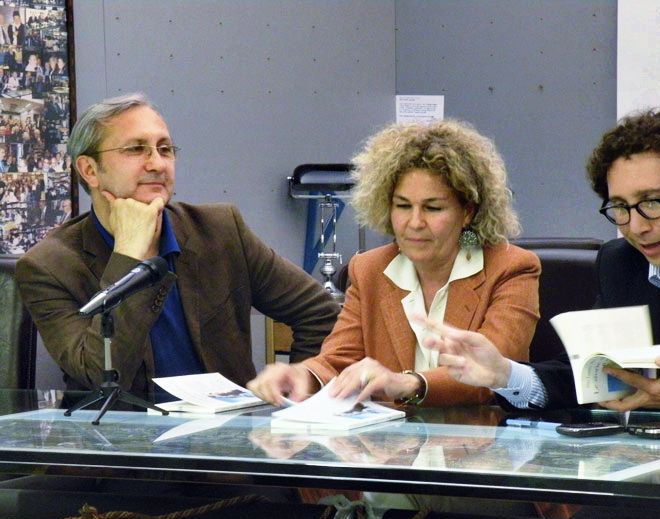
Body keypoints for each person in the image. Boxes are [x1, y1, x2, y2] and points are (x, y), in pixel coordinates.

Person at [421, 109, 660, 425]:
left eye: (651, 203)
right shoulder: (622, 263)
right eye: (620, 208)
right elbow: (595, 376)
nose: (636, 226)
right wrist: (504, 373)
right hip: (653, 468)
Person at [16, 92, 340, 399]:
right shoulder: (49, 266)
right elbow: (99, 377)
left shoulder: (220, 231)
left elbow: (321, 314)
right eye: (136, 149)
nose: (157, 164)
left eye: (165, 149)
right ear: (89, 170)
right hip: (120, 435)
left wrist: (300, 387)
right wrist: (128, 256)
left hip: (225, 431)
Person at [248, 119, 540, 407]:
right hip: (391, 438)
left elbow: (492, 374)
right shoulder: (369, 270)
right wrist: (303, 374)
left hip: (482, 435)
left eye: (433, 208)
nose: (415, 222)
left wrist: (408, 383)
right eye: (402, 206)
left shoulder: (511, 268)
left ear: (467, 212)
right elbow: (339, 360)